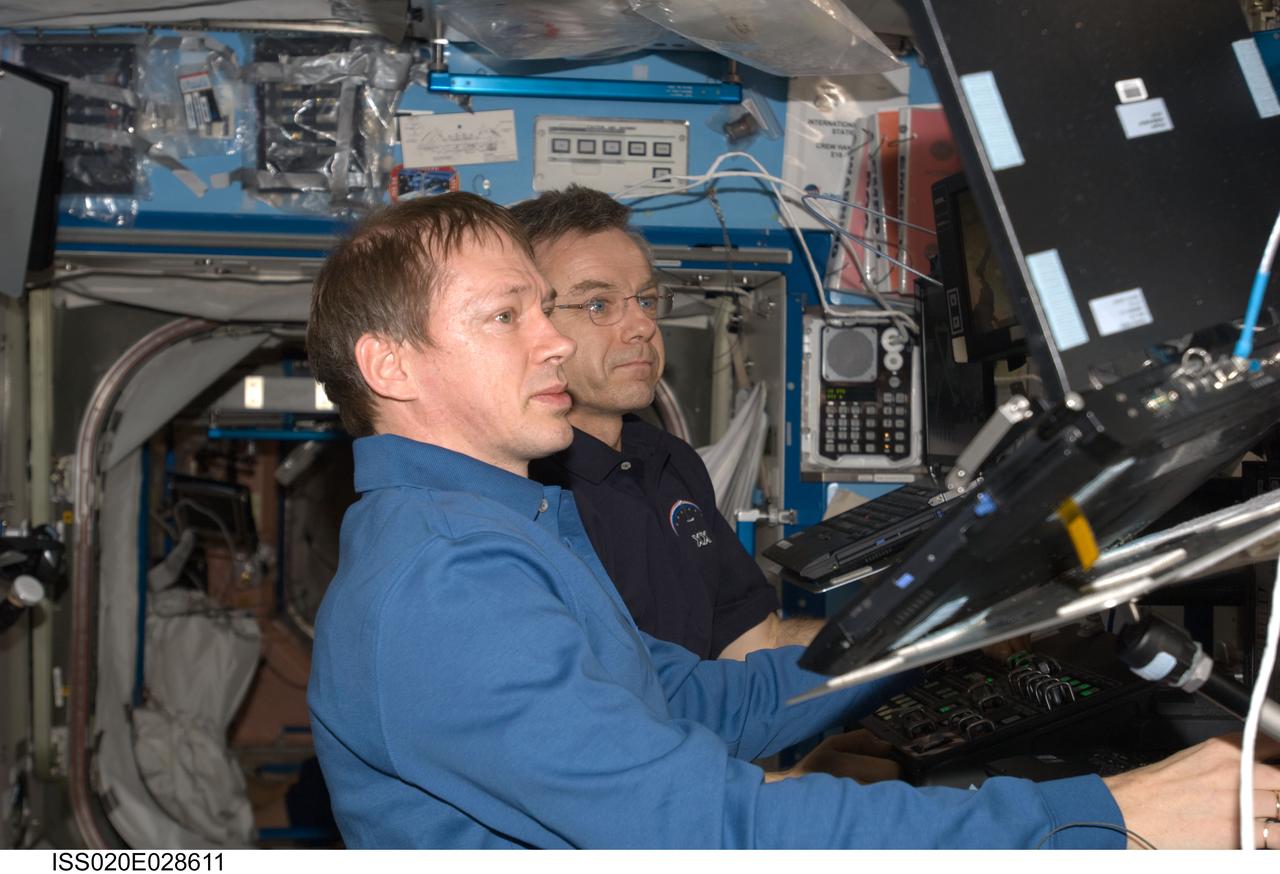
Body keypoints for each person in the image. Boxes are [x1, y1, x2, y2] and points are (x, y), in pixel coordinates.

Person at [305, 191, 1280, 849]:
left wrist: (923, 632)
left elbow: (699, 703)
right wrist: (1101, 813)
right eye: (506, 316)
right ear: (391, 366)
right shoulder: (446, 578)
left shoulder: (509, 524)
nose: (556, 339)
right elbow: (701, 827)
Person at [513, 187, 820, 660]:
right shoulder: (518, 494)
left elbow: (756, 643)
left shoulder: (669, 461)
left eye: (647, 300)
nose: (641, 326)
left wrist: (903, 645)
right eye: (598, 304)